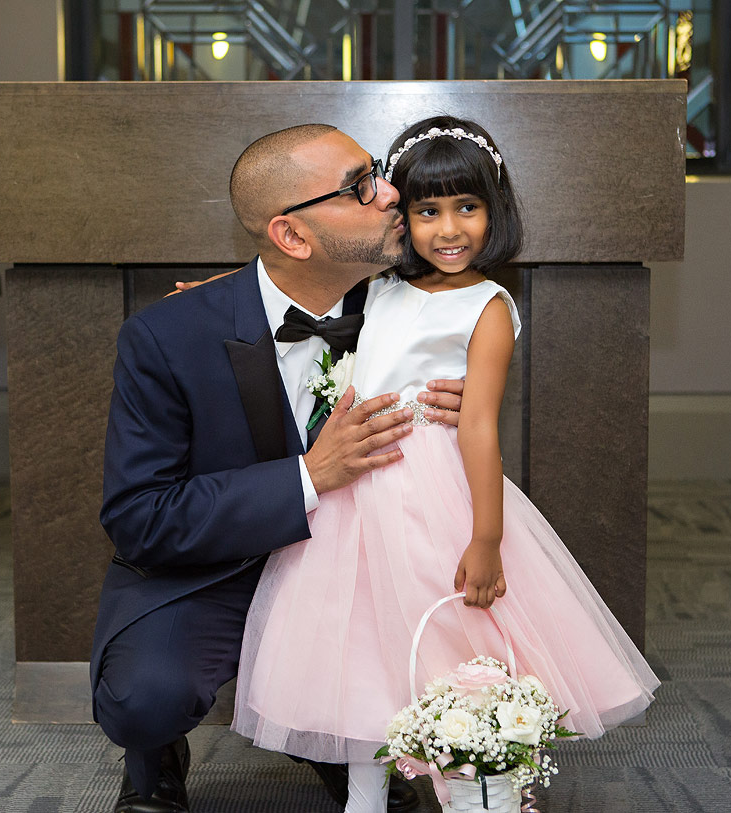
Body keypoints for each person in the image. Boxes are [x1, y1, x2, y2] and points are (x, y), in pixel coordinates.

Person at [230, 117, 662, 812]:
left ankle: (481, 789)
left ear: (496, 210)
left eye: (467, 207)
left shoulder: (487, 304)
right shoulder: (377, 287)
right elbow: (293, 289)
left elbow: (480, 425)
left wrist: (486, 536)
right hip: (353, 495)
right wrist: (218, 289)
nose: (448, 228)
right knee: (362, 648)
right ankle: (364, 796)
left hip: (432, 490)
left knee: (452, 644)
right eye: (427, 211)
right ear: (402, 216)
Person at [93, 123, 469, 813]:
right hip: (219, 567)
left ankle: (330, 734)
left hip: (365, 568)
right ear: (292, 238)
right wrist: (308, 475)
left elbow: (479, 231)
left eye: (377, 171)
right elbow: (138, 517)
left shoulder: (419, 307)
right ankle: (159, 754)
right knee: (146, 697)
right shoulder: (166, 336)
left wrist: (470, 396)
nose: (391, 194)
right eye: (361, 187)